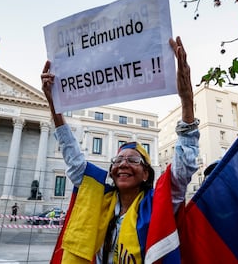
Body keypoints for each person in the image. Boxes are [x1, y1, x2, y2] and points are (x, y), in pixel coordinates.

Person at [41, 36, 199, 263]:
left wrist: (186, 99)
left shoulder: (158, 205)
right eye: (118, 160)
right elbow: (74, 159)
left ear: (146, 173)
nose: (123, 164)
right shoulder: (100, 201)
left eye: (133, 160)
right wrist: (55, 108)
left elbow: (185, 166)